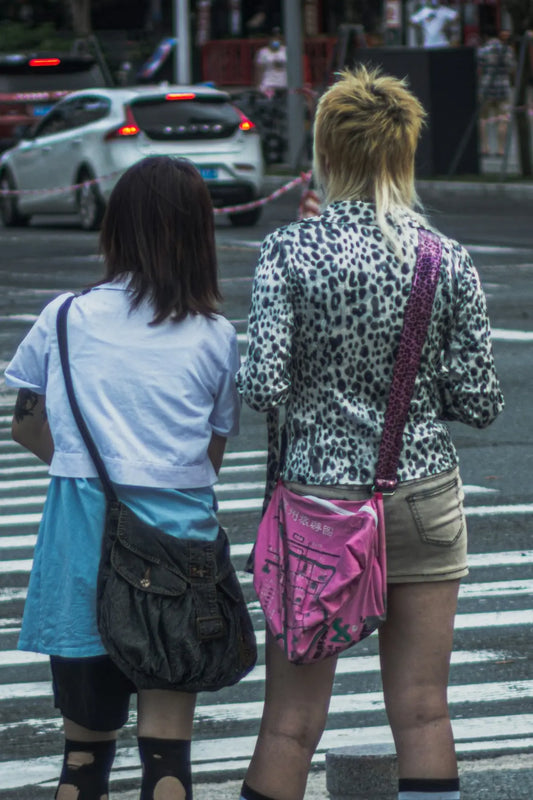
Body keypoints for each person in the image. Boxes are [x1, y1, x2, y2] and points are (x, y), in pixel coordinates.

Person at [236, 66, 504, 800]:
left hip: (319, 500)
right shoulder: (443, 258)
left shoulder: (290, 252)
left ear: (327, 150)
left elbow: (260, 385)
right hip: (420, 492)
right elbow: (478, 401)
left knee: (289, 722)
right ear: (403, 153)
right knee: (422, 711)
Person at [4, 156, 241, 800]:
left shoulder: (64, 317)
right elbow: (208, 456)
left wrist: (83, 458)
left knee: (83, 758)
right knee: (169, 761)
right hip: (180, 556)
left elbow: (25, 424)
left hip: (81, 550)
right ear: (199, 234)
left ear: (117, 227)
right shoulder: (217, 337)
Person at [477, 27, 516, 157]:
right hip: (503, 87)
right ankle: (501, 149)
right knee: (503, 118)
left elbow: (479, 69)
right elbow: (511, 68)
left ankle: (485, 147)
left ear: (485, 37)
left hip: (486, 87)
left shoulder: (482, 51)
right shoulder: (507, 50)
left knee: (483, 118)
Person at [255, 27, 288, 97]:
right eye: (274, 38)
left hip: (284, 84)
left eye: (278, 38)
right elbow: (259, 70)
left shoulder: (286, 51)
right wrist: (258, 85)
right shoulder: (263, 52)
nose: (276, 40)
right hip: (268, 84)